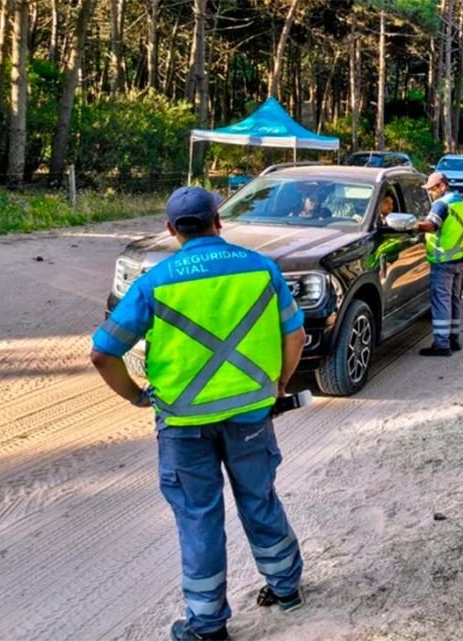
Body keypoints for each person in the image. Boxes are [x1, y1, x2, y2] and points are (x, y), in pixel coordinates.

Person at [90, 187, 306, 641]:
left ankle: (208, 625)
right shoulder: (261, 269)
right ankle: (286, 588)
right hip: (250, 414)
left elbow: (103, 354)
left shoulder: (155, 281)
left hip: (183, 426)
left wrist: (135, 396)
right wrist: (280, 385)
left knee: (199, 518)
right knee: (259, 499)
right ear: (219, 221)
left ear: (171, 229)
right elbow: (296, 336)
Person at [416, 172, 463, 356]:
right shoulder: (461, 202)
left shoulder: (441, 204)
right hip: (462, 259)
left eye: (432, 189)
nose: (430, 193)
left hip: (444, 260)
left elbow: (431, 226)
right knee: (454, 299)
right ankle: (453, 339)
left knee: (441, 301)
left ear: (442, 186)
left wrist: (413, 225)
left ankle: (441, 345)